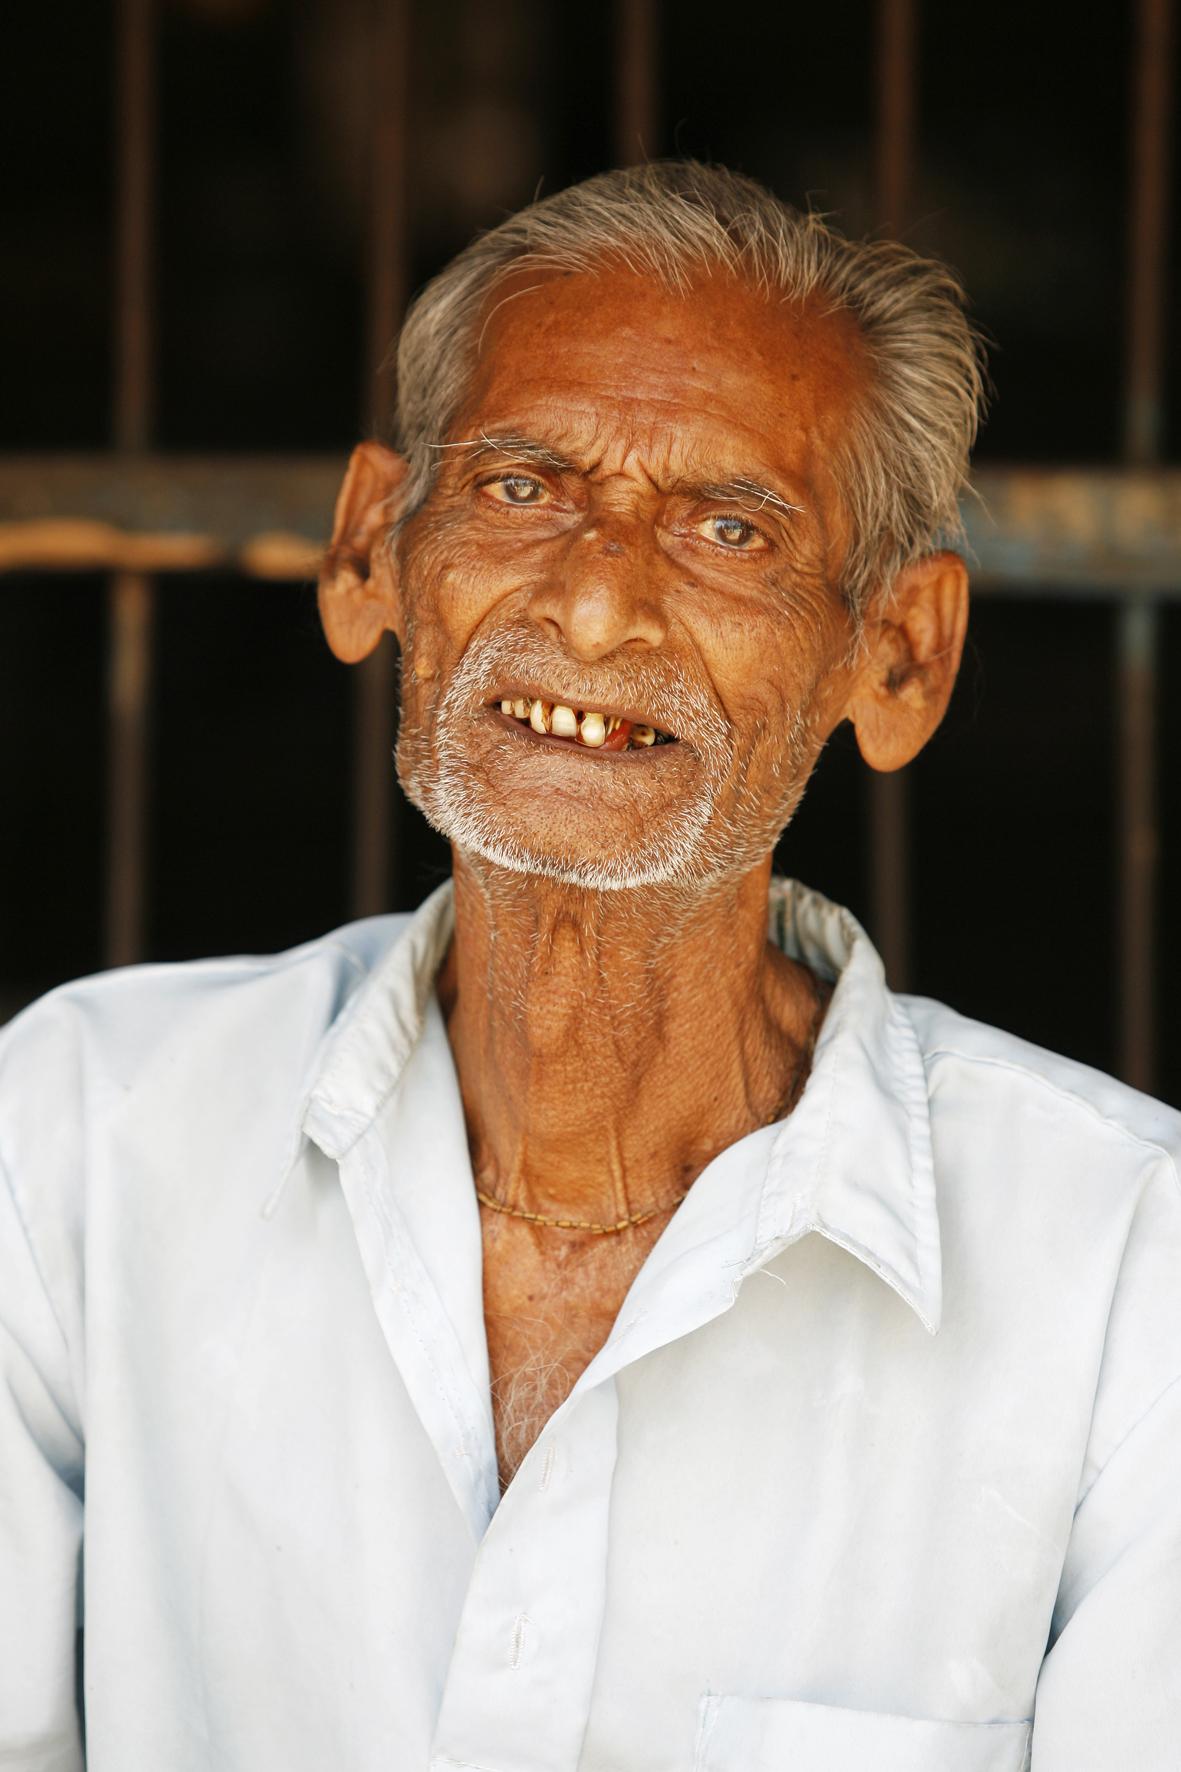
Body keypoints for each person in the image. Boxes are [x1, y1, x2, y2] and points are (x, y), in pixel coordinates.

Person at [1, 162, 1178, 1772]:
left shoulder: (1125, 1268)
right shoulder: (78, 1130)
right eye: (517, 488)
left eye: (726, 527)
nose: (599, 598)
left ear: (895, 656)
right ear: (369, 555)